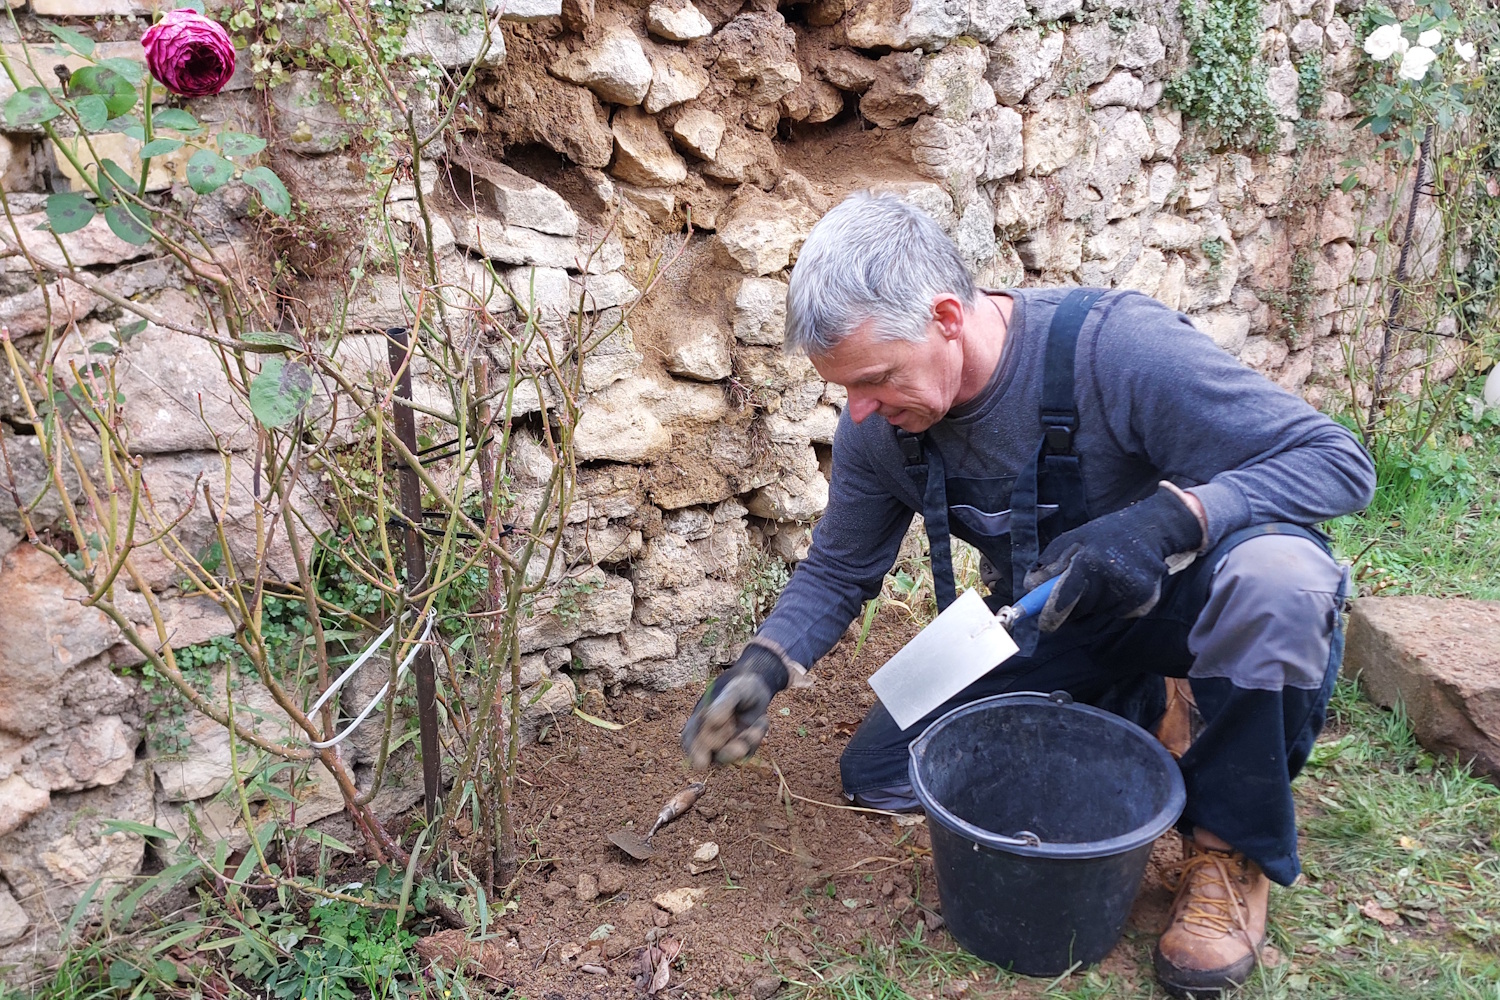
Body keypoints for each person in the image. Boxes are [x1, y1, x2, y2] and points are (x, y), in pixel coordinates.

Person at [680, 192, 1376, 997]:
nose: (859, 411)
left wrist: (1171, 519)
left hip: (1193, 594)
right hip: (1051, 613)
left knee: (1281, 581)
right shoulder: (878, 429)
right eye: (846, 391)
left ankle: (1228, 847)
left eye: (873, 380)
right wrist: (764, 665)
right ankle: (1146, 711)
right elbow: (838, 571)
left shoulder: (1116, 348)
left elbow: (1336, 462)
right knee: (881, 771)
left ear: (947, 316)